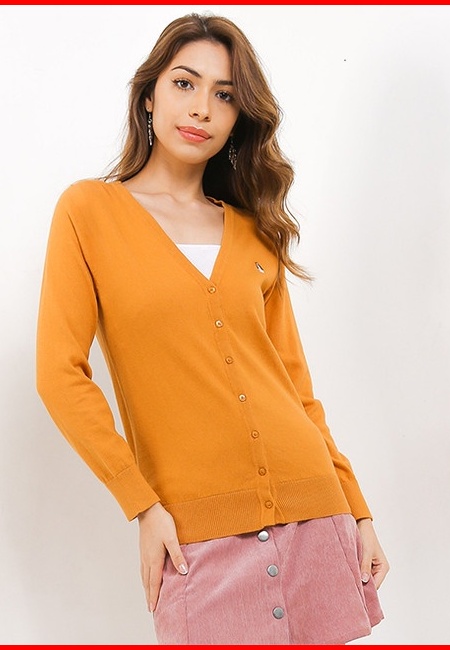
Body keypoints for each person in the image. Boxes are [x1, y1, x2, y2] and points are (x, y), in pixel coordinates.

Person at [36, 12, 389, 645]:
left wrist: (357, 508)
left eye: (224, 95)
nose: (201, 107)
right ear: (149, 96)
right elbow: (59, 375)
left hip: (314, 510)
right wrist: (142, 505)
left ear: (237, 118)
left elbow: (296, 389)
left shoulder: (254, 230)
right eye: (184, 83)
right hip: (190, 533)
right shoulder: (89, 211)